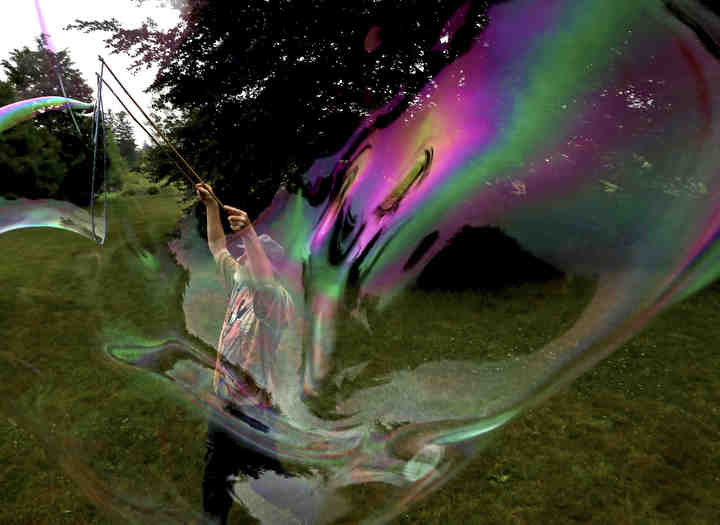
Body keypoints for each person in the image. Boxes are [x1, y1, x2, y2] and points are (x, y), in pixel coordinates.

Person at [195, 183, 293, 525]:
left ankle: (305, 506)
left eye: (249, 259)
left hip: (253, 410)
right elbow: (217, 246)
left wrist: (251, 236)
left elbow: (263, 280)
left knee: (267, 481)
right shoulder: (241, 283)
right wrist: (210, 207)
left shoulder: (275, 302)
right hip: (224, 400)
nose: (240, 262)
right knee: (215, 475)